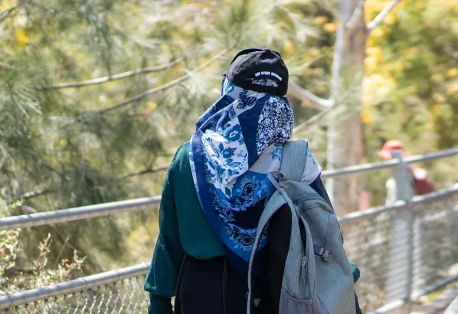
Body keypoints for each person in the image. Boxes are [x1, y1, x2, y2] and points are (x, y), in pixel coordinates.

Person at [144, 48, 360, 314]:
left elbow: (169, 241)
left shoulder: (190, 158)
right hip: (276, 294)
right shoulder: (296, 161)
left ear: (229, 91)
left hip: (200, 296)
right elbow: (325, 233)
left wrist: (159, 302)